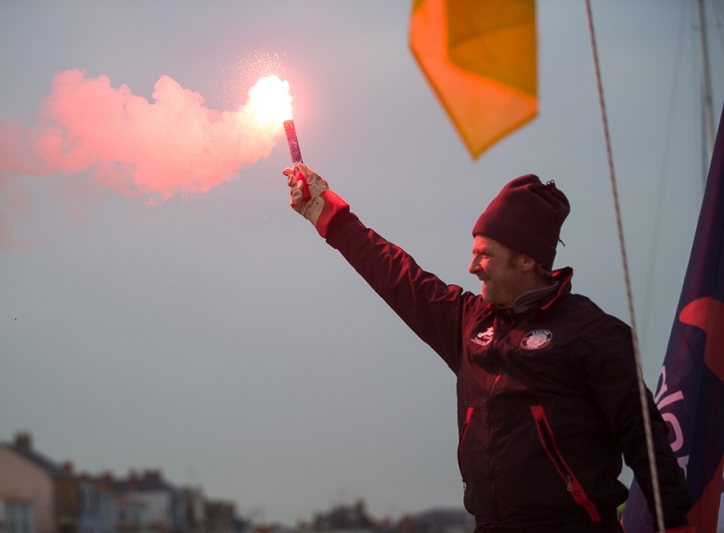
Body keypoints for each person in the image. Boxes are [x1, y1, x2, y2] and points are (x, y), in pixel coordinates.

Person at [282, 163, 693, 533]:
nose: (472, 266)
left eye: (485, 255)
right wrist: (330, 217)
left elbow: (645, 437)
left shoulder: (592, 333)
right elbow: (397, 275)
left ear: (526, 261)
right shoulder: (468, 322)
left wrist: (675, 523)